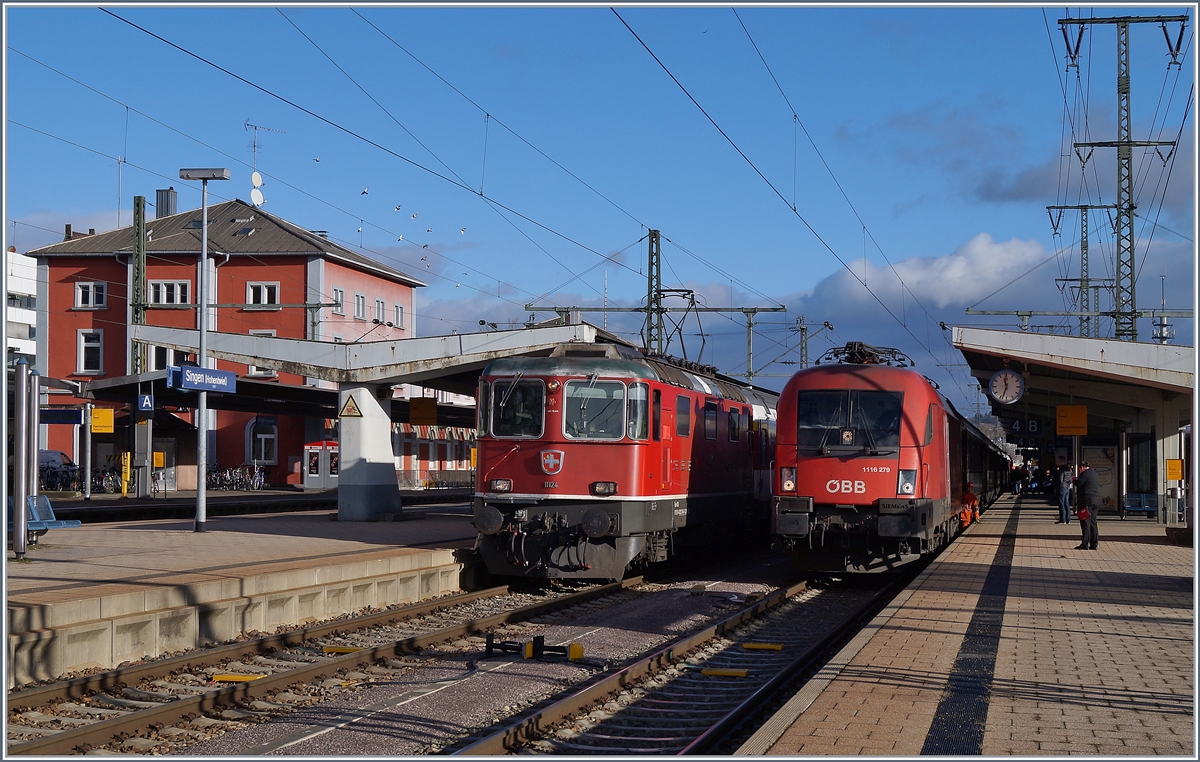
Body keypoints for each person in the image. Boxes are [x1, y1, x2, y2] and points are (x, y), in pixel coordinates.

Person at [1074, 460, 1100, 550]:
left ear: (1081, 467)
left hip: (1087, 500)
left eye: (1079, 469)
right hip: (1096, 499)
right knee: (1093, 521)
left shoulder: (1084, 474)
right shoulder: (1094, 473)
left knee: (1085, 521)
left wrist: (1074, 480)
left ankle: (1085, 543)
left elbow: (1079, 483)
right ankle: (1094, 544)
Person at [1054, 456, 1073, 524]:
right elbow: (1070, 478)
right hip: (1067, 487)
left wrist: (1057, 486)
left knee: (1061, 503)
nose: (1057, 462)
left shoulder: (1061, 469)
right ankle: (1068, 519)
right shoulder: (1068, 468)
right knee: (1066, 503)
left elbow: (1060, 478)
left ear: (1061, 461)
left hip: (1062, 487)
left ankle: (1063, 519)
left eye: (1058, 461)